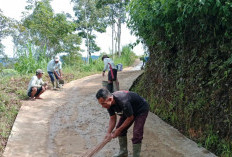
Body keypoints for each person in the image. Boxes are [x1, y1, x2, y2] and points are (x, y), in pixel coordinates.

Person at [96, 88, 149, 157]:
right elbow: (112, 118)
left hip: (140, 109)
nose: (103, 106)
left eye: (103, 104)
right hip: (128, 111)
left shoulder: (123, 100)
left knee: (137, 133)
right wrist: (108, 132)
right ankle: (123, 152)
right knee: (120, 130)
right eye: (101, 104)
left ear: (110, 99)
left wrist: (118, 130)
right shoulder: (108, 104)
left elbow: (130, 118)